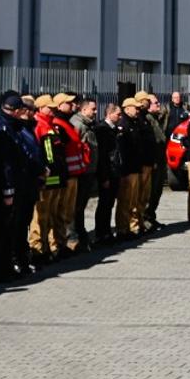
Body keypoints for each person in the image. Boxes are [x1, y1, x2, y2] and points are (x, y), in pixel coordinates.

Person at [0, 94, 44, 279]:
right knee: (11, 228)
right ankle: (9, 263)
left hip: (26, 184)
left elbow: (31, 153)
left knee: (21, 225)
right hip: (15, 187)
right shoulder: (3, 130)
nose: (27, 113)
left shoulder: (19, 127)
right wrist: (8, 190)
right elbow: (7, 164)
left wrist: (39, 170)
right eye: (23, 110)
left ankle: (19, 260)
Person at [32, 94, 78, 263]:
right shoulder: (40, 125)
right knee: (42, 214)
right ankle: (39, 248)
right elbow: (44, 154)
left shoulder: (52, 125)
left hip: (57, 175)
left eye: (53, 107)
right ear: (40, 108)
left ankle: (54, 245)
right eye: (49, 108)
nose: (52, 110)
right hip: (48, 176)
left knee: (54, 212)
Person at [115, 95, 153, 236]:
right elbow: (123, 150)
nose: (137, 110)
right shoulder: (123, 124)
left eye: (138, 108)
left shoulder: (135, 123)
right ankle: (123, 228)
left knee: (134, 200)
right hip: (128, 169)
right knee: (125, 200)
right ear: (127, 109)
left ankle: (133, 226)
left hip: (136, 167)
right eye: (135, 108)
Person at [67, 96, 100, 251]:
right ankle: (73, 236)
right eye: (93, 109)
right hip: (81, 171)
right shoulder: (77, 124)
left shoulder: (89, 125)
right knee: (76, 206)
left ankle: (80, 234)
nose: (96, 112)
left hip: (88, 171)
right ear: (84, 109)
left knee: (81, 206)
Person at [92, 100, 122, 244]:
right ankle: (100, 233)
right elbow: (103, 156)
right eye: (118, 114)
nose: (120, 117)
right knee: (104, 203)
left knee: (109, 203)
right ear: (110, 114)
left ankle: (106, 231)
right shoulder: (102, 129)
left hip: (114, 171)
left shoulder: (113, 129)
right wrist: (104, 177)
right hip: (107, 172)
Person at [145, 92, 171, 228]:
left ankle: (151, 216)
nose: (159, 104)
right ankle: (146, 218)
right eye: (155, 103)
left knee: (157, 191)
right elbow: (155, 140)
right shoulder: (147, 119)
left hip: (160, 159)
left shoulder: (156, 118)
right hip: (153, 161)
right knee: (150, 191)